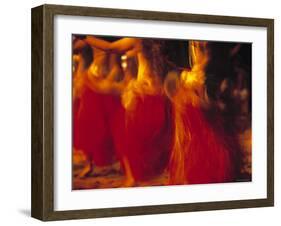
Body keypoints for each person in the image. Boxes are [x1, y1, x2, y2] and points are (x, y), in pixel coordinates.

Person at [84, 36, 174, 185]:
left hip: (145, 94)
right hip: (160, 93)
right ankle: (143, 176)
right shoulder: (160, 40)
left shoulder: (138, 39)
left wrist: (85, 37)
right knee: (158, 137)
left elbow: (110, 47)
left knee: (126, 134)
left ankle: (133, 178)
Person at [166, 41, 239, 185]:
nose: (198, 46)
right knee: (191, 149)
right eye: (195, 45)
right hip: (190, 123)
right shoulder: (191, 70)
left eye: (202, 45)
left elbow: (215, 103)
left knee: (206, 149)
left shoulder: (213, 69)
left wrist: (197, 98)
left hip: (206, 118)